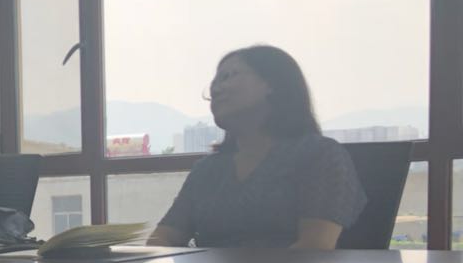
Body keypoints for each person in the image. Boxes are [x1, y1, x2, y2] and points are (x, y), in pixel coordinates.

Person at [149, 46, 365, 249]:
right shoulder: (207, 170)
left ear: (273, 84)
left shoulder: (318, 154)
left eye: (228, 76)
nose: (216, 90)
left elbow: (315, 247)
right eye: (214, 83)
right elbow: (163, 237)